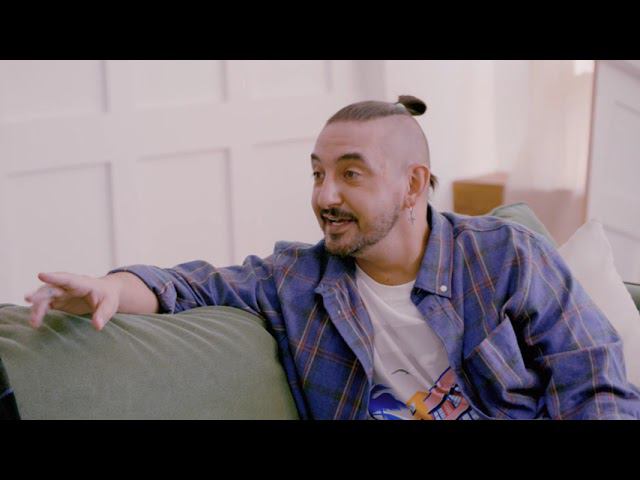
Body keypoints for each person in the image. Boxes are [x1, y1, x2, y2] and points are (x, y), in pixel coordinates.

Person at [25, 95, 640, 420]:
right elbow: (188, 285)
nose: (324, 196)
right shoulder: (294, 280)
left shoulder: (506, 256)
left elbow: (594, 381)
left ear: (412, 184)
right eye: (318, 173)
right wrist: (110, 287)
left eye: (350, 174)